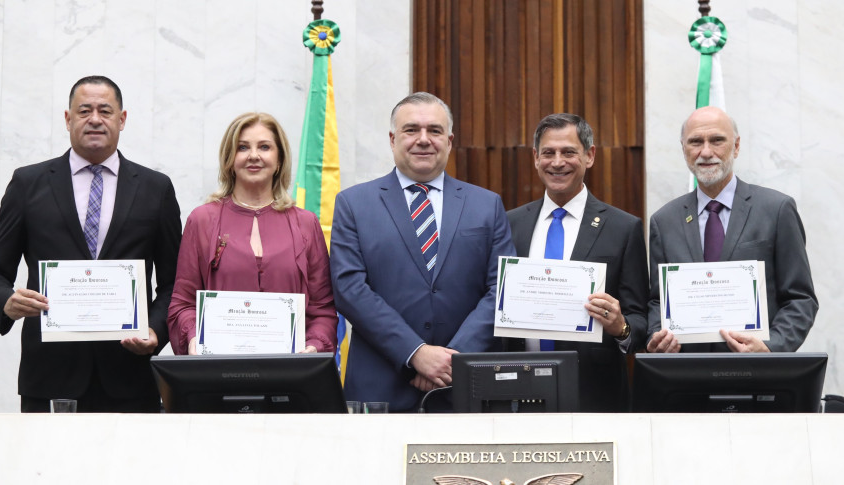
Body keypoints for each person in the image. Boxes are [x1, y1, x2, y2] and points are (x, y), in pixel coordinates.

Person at [0, 75, 182, 412]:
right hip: (49, 375)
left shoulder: (155, 189)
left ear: (122, 119)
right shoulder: (27, 184)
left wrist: (155, 331)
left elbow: (175, 282)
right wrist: (7, 301)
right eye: (84, 110)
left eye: (105, 110)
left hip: (129, 376)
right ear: (67, 118)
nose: (94, 119)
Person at [330, 92, 516, 412]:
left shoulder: (487, 205)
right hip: (381, 387)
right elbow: (350, 290)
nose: (423, 139)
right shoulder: (353, 204)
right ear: (392, 139)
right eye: (411, 129)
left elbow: (501, 289)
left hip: (467, 386)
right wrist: (415, 353)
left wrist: (450, 361)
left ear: (450, 139)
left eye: (434, 130)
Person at [505, 113, 648, 412]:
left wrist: (620, 327)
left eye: (569, 152)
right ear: (535, 158)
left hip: (594, 395)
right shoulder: (510, 224)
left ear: (590, 155)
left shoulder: (623, 228)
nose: (558, 162)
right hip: (517, 393)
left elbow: (639, 320)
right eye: (548, 153)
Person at [647, 106, 818, 353]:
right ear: (684, 149)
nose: (706, 152)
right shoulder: (664, 221)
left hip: (756, 374)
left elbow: (800, 299)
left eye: (717, 140)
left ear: (736, 146)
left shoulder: (777, 210)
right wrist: (657, 336)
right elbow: (657, 301)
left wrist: (772, 347)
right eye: (695, 142)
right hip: (688, 376)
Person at [167, 112, 337, 355]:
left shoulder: (306, 223)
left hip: (288, 376)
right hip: (218, 373)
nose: (254, 155)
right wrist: (194, 337)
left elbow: (323, 309)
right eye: (243, 147)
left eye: (265, 147)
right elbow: (182, 304)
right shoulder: (202, 220)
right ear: (229, 159)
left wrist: (314, 346)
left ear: (279, 160)